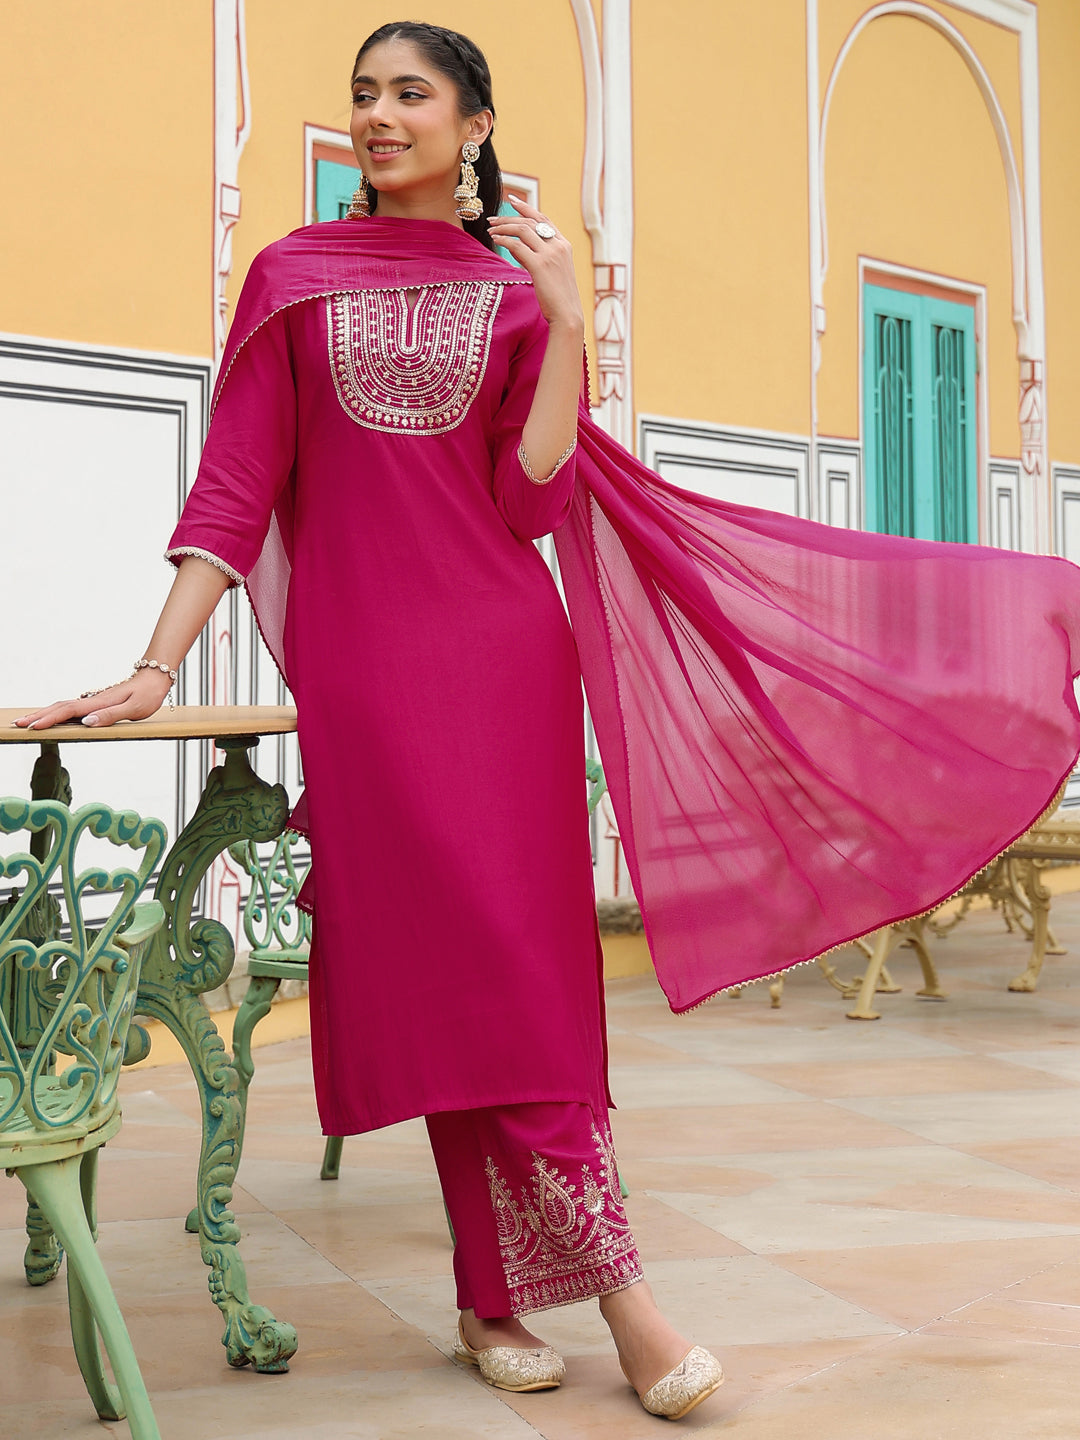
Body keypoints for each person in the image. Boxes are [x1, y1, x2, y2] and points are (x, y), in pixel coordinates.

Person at [16, 16, 1080, 1426]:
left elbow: (529, 499)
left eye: (411, 95)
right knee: (460, 968)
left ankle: (501, 1293)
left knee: (516, 974)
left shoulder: (515, 298)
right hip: (374, 683)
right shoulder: (292, 279)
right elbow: (235, 485)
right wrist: (156, 665)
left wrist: (569, 323)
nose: (381, 116)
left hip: (507, 664)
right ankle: (608, 1299)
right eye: (364, 95)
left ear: (473, 125)